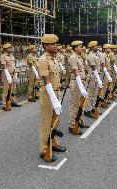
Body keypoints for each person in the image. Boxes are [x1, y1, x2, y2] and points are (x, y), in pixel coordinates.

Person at [37, 34, 66, 163]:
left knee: (56, 121)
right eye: (53, 44)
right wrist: (54, 100)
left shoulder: (54, 59)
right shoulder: (43, 60)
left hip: (56, 92)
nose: (56, 46)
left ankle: (53, 143)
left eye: (56, 44)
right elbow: (47, 81)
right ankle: (44, 151)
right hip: (48, 94)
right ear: (46, 46)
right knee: (46, 122)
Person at [68, 40, 89, 135]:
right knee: (75, 104)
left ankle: (79, 121)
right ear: (75, 48)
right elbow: (76, 72)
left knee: (81, 104)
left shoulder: (79, 57)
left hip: (81, 82)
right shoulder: (73, 57)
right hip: (76, 83)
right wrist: (81, 86)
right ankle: (72, 126)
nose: (82, 48)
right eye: (80, 46)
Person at [83, 41, 103, 118]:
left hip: (95, 76)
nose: (97, 47)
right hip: (92, 76)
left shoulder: (96, 55)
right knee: (90, 93)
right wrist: (98, 78)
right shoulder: (91, 55)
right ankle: (87, 110)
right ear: (92, 47)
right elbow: (94, 68)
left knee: (93, 93)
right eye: (95, 46)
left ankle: (91, 108)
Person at [0, 43, 22, 110]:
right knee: (6, 90)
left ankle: (13, 101)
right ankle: (4, 104)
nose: (11, 49)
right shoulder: (3, 56)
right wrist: (7, 75)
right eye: (9, 48)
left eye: (11, 47)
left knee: (13, 89)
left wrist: (15, 73)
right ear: (6, 49)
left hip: (13, 74)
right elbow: (4, 66)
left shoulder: (12, 56)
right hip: (7, 75)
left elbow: (13, 65)